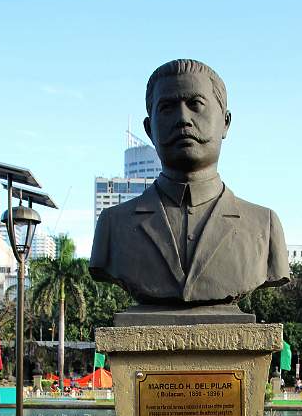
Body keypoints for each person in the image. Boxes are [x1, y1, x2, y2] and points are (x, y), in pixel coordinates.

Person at [89, 59, 289, 305]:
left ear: (225, 122)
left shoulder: (264, 226)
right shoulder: (113, 225)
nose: (183, 118)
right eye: (167, 108)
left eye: (196, 104)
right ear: (149, 129)